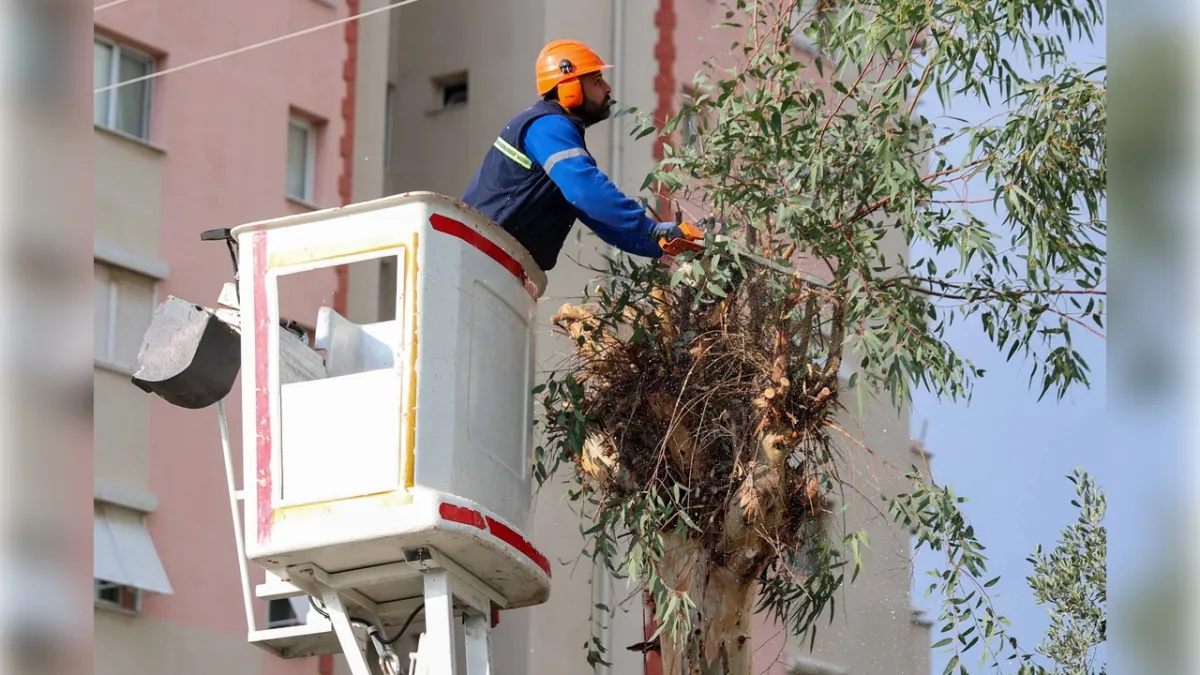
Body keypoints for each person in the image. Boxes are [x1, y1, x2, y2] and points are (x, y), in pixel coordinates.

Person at [462, 39, 701, 272]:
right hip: (479, 254)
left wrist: (663, 244)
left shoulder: (559, 138)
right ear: (569, 88)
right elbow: (587, 191)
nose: (607, 88)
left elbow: (603, 220)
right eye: (597, 81)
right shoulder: (546, 126)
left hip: (496, 263)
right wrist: (649, 228)